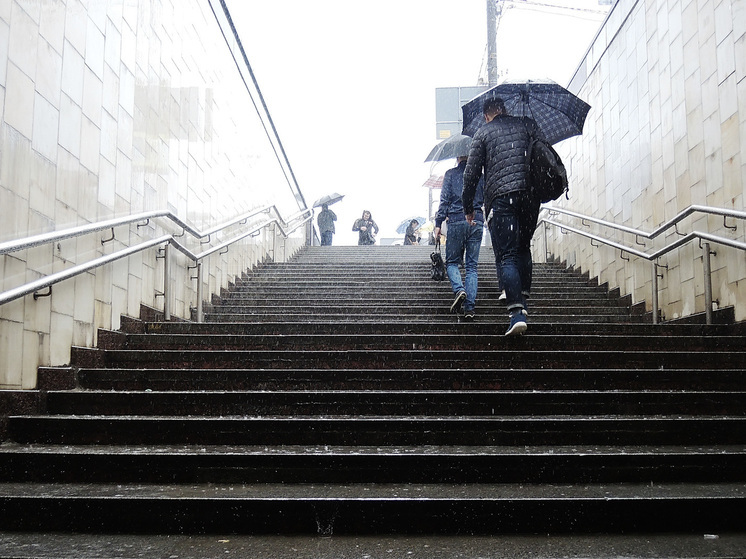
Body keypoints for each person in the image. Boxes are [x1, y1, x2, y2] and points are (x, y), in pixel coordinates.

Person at [462, 96, 544, 335]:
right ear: (504, 109)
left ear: (488, 114)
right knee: (524, 248)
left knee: (507, 255)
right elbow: (542, 153)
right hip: (529, 196)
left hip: (501, 198)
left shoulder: (484, 133)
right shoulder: (527, 124)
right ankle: (523, 298)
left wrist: (469, 208)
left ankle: (517, 312)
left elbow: (471, 175)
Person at [434, 156, 485, 320]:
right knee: (472, 267)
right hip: (476, 220)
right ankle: (469, 308)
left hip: (456, 219)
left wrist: (438, 222)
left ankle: (459, 289)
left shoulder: (450, 174)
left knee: (452, 263)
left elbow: (444, 200)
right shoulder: (480, 175)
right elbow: (485, 198)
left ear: (457, 157)